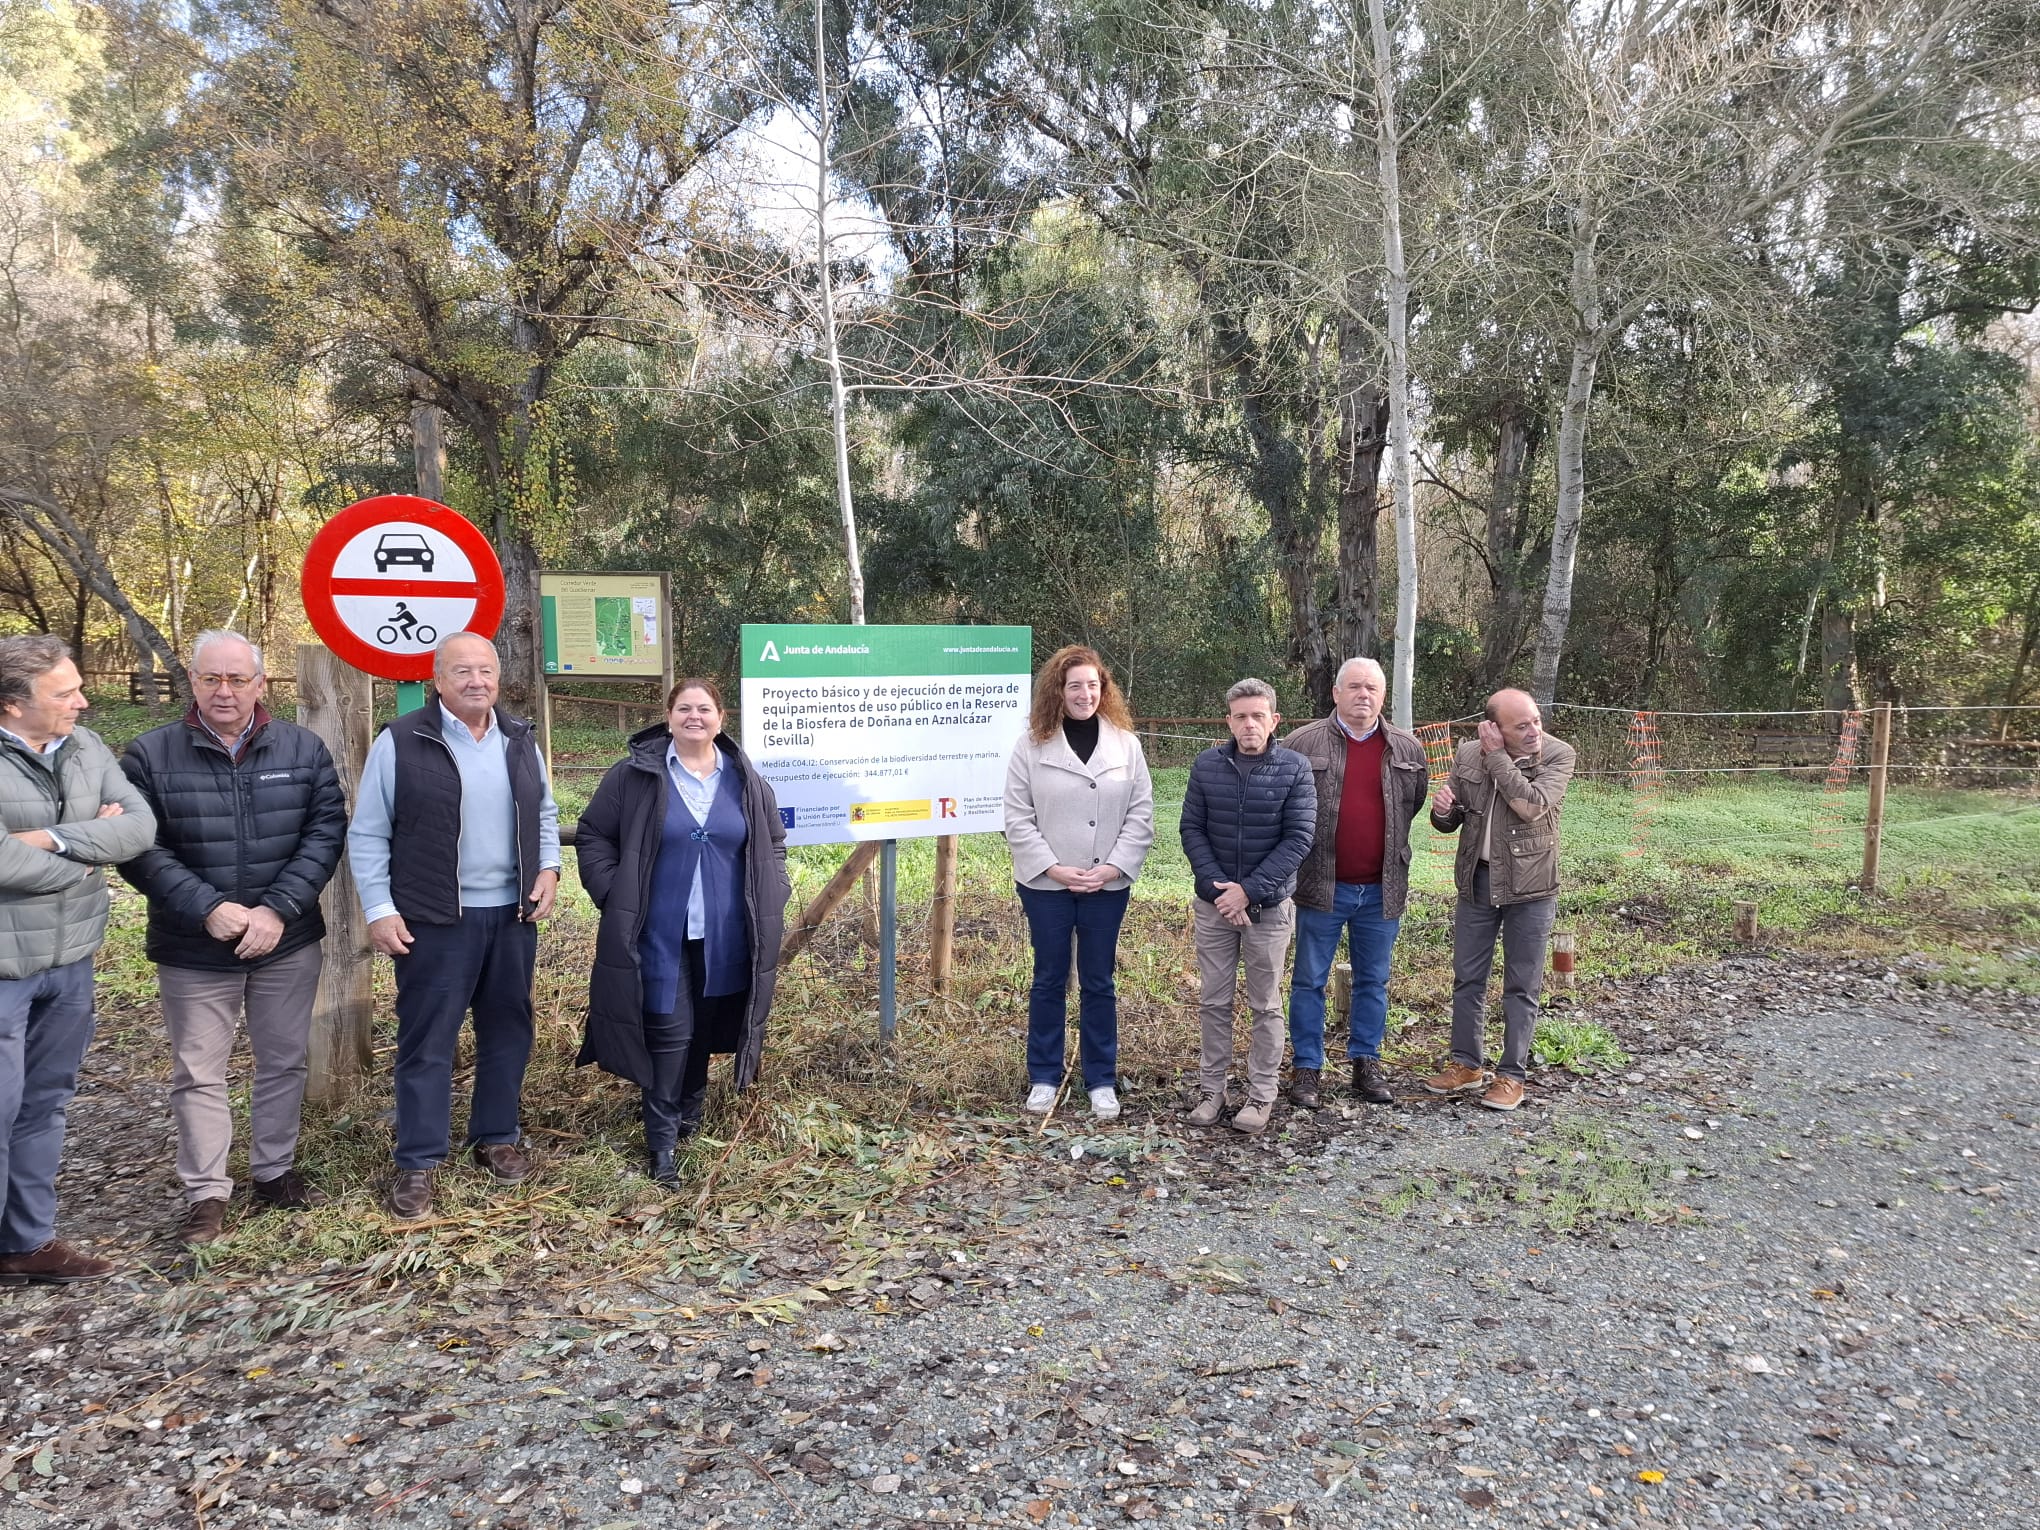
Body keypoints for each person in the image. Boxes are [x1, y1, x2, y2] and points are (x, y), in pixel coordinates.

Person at [120, 631, 347, 1245]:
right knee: (198, 1072)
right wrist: (208, 908)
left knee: (283, 1060)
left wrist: (277, 910)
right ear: (192, 682)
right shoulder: (148, 755)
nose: (224, 691)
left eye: (237, 679)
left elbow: (325, 832)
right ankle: (207, 1193)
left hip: (286, 940)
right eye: (211, 678)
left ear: (260, 684)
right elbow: (137, 847)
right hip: (194, 945)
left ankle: (274, 1172)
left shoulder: (302, 749)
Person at [347, 631, 562, 1220]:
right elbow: (368, 832)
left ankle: (496, 1135)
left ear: (498, 678)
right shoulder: (403, 740)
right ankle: (418, 1160)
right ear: (437, 679)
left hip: (511, 914)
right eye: (462, 671)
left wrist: (548, 868)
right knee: (428, 1040)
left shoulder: (519, 739)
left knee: (508, 1029)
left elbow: (544, 812)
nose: (476, 681)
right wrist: (379, 908)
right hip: (436, 917)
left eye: (485, 670)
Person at [574, 678, 792, 1187]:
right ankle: (662, 1142)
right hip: (658, 933)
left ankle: (690, 1112)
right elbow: (594, 834)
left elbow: (774, 843)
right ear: (669, 716)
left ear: (721, 718)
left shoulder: (745, 780)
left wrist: (774, 892)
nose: (695, 716)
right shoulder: (634, 776)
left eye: (705, 709)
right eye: (685, 708)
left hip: (726, 934)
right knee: (669, 1031)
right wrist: (615, 893)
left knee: (706, 1027)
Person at [0, 636, 156, 1284]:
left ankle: (26, 1243)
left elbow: (139, 828)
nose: (82, 702)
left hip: (70, 962)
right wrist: (91, 854)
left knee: (45, 1103)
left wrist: (50, 839)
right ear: (13, 704)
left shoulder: (86, 747)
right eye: (64, 693)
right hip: (5, 967)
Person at [1003, 645, 1154, 1122]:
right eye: (1074, 686)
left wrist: (1112, 867)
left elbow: (1141, 815)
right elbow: (1017, 817)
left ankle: (1101, 1080)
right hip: (1046, 886)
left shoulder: (1126, 745)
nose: (1084, 694)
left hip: (1106, 886)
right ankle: (1044, 1076)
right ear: (1058, 691)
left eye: (1092, 685)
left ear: (1103, 689)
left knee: (1099, 980)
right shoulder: (1031, 745)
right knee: (1048, 978)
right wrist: (1053, 868)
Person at [1283, 657, 1430, 1108]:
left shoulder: (1407, 749)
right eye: (1354, 687)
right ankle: (1307, 1067)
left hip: (1381, 889)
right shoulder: (1301, 743)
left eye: (1372, 688)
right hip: (1321, 886)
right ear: (1336, 693)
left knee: (1374, 981)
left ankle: (1366, 1062)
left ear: (1383, 696)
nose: (1364, 695)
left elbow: (1413, 804)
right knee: (1309, 980)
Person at [1423, 688, 1577, 1111]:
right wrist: (1443, 811)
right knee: (1467, 977)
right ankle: (1466, 1065)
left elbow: (1531, 806)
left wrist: (1496, 758)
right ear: (1493, 727)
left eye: (1536, 721)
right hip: (1477, 880)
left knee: (1521, 984)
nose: (1534, 731)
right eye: (1521, 725)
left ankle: (1511, 1076)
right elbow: (1450, 819)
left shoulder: (1558, 755)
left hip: (1531, 888)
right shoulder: (1467, 753)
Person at [1178, 679, 1315, 1135]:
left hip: (1268, 910)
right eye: (1241, 716)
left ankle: (1261, 1095)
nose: (1249, 724)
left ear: (1274, 720)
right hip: (1214, 906)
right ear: (1229, 721)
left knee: (1265, 1004)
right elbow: (1192, 829)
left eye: (1258, 715)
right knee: (1213, 1001)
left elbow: (1299, 838)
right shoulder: (1207, 766)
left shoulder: (1295, 768)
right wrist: (1219, 890)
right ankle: (1211, 1091)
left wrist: (1249, 891)